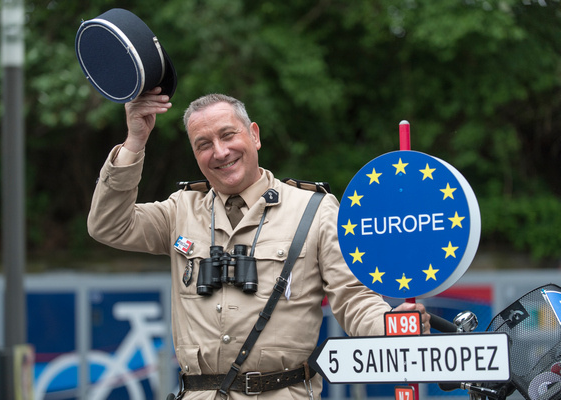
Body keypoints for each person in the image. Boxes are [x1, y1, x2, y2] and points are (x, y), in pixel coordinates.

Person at [87, 86, 431, 399]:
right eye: (203, 145)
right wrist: (135, 143)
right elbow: (108, 225)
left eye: (227, 135)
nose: (219, 152)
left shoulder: (313, 209)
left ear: (254, 136)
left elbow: (353, 299)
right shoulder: (180, 210)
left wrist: (392, 326)